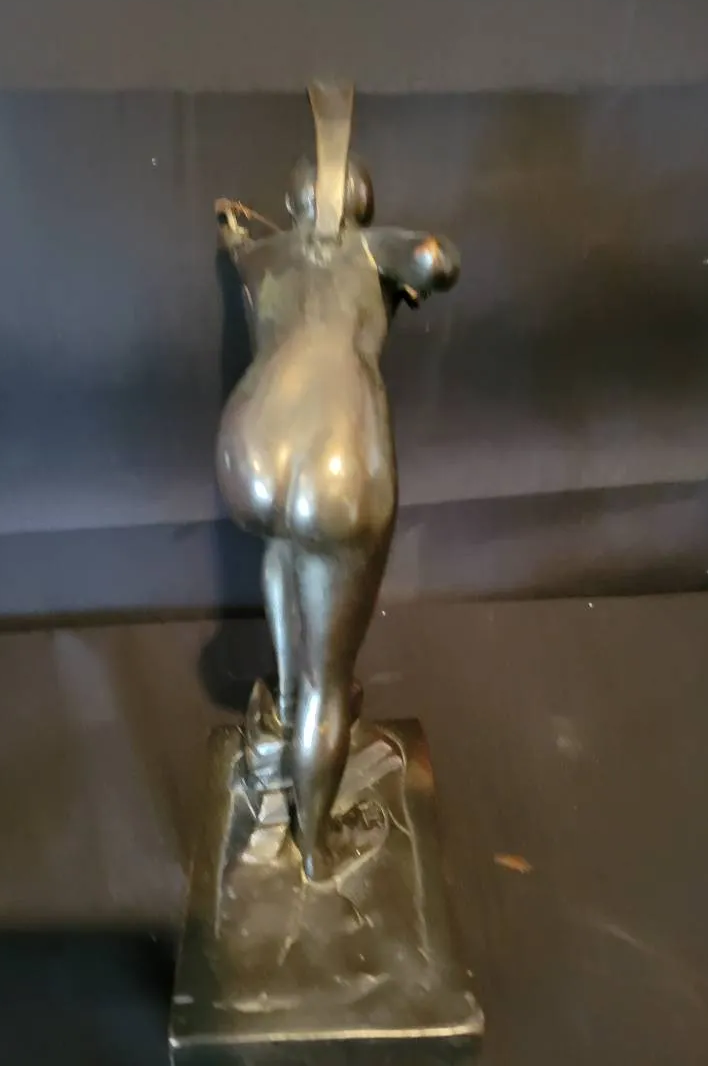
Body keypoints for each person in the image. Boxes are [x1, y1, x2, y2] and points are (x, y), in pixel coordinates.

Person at [215, 84, 459, 880]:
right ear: (358, 201)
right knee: (332, 678)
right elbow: (440, 260)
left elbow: (236, 236)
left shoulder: (262, 256)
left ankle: (294, 713)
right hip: (336, 466)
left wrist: (245, 229)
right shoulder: (370, 250)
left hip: (249, 452)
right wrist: (393, 252)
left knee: (285, 547)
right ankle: (317, 851)